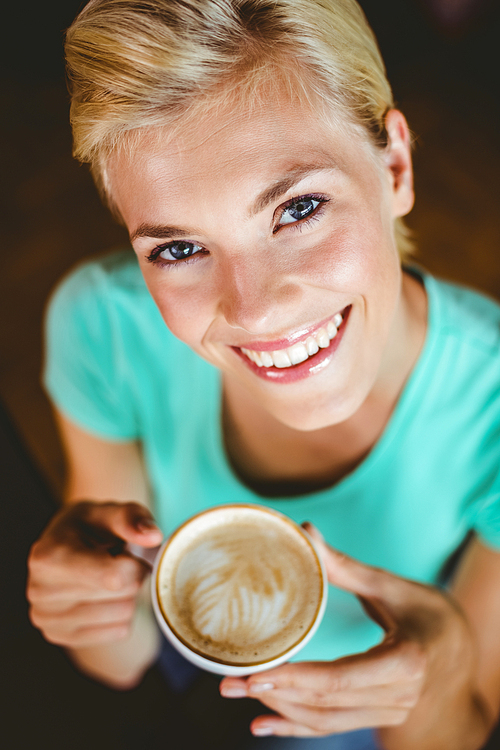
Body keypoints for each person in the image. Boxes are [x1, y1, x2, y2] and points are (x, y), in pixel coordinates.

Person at [26, 1, 500, 747]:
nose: (250, 310)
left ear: (395, 167)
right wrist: (87, 601)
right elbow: (122, 661)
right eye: (178, 249)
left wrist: (442, 671)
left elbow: (458, 725)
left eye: (299, 207)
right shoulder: (102, 328)